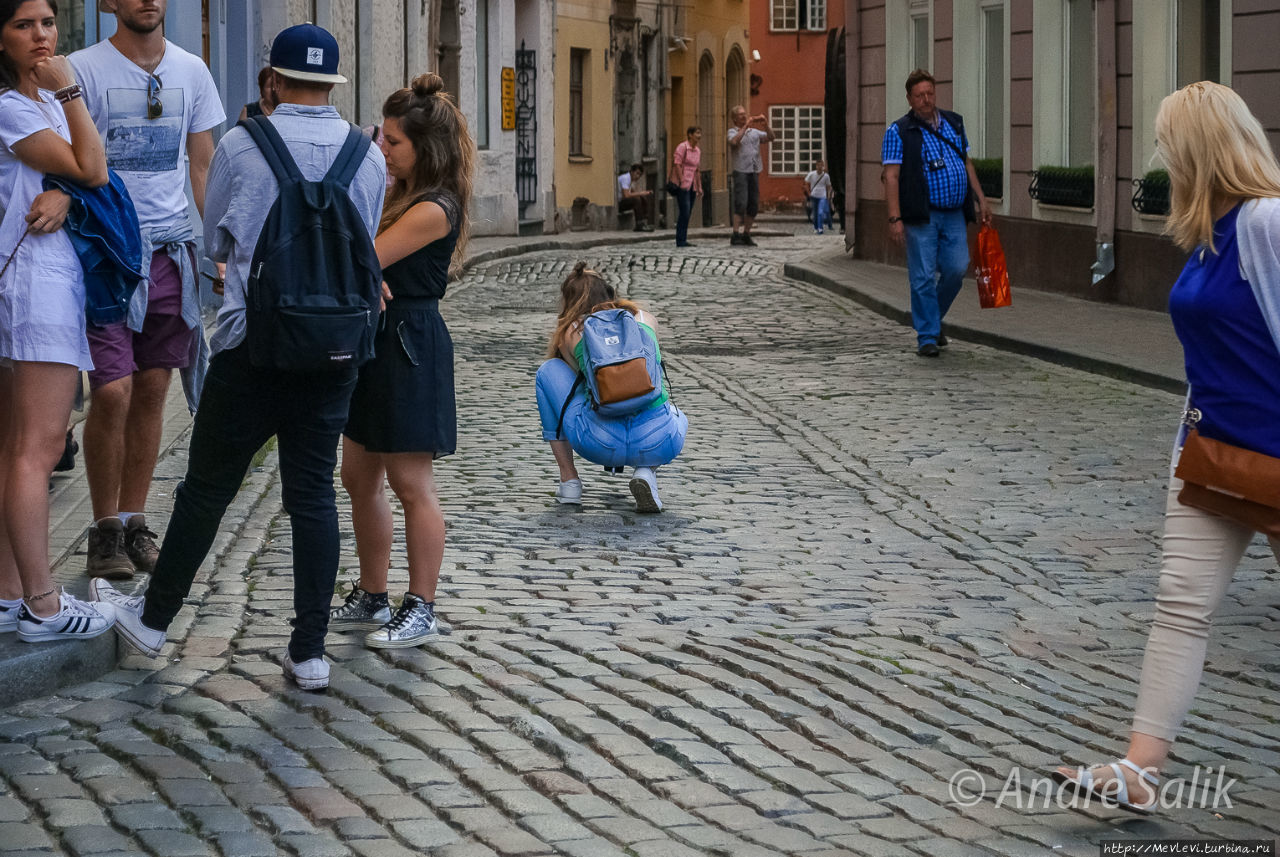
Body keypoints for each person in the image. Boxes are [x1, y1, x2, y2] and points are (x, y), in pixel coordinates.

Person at [91, 24, 387, 691]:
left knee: (207, 490)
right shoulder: (368, 157)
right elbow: (365, 241)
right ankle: (309, 651)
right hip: (335, 350)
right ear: (333, 85)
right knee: (312, 494)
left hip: (251, 346)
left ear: (274, 82)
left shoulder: (242, 145)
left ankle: (155, 619)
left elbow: (216, 233)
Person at [1053, 82, 1280, 814]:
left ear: (1198, 147)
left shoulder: (1267, 222)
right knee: (1180, 606)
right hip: (1216, 458)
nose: (1159, 157)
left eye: (1165, 143)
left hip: (1275, 458)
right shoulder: (1210, 233)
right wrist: (1183, 442)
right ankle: (1139, 768)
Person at [70, 0, 225, 579]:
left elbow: (203, 165)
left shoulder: (192, 71)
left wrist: (219, 248)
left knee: (154, 389)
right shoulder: (82, 69)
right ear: (108, 3)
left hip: (170, 251)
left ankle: (134, 523)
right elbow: (69, 160)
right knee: (112, 391)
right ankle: (103, 528)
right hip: (107, 250)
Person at [329, 73, 472, 650]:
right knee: (357, 474)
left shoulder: (435, 206)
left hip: (409, 342)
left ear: (425, 150)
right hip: (373, 337)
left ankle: (422, 604)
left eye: (392, 141)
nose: (380, 148)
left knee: (411, 481)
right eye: (380, 137)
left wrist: (363, 268)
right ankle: (371, 591)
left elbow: (357, 254)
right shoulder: (391, 191)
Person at [0, 0, 117, 642]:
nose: (42, 35)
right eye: (24, 25)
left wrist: (67, 193)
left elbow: (86, 178)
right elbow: (95, 166)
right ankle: (45, 605)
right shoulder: (15, 105)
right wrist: (70, 89)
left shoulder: (36, 105)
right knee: (37, 448)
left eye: (48, 22)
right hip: (32, 290)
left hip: (41, 285)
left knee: (17, 447)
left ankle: (9, 593)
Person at [534, 262, 688, 513]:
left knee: (547, 372)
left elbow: (580, 382)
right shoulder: (644, 319)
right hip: (659, 439)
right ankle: (647, 471)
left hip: (601, 443)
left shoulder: (570, 332)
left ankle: (569, 480)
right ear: (610, 293)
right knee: (679, 416)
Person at [881, 69, 991, 358]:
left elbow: (966, 163)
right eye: (919, 95)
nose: (926, 99)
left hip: (954, 212)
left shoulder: (953, 123)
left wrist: (981, 198)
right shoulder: (899, 131)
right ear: (909, 98)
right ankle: (927, 336)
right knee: (923, 276)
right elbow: (891, 177)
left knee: (957, 268)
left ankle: (931, 318)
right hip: (921, 215)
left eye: (930, 93)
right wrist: (895, 218)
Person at [727, 105, 772, 246]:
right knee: (741, 203)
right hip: (740, 171)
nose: (744, 116)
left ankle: (746, 233)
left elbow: (771, 137)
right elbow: (734, 142)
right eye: (740, 115)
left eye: (744, 114)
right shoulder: (732, 131)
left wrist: (766, 125)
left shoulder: (754, 132)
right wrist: (745, 126)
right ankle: (735, 234)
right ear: (734, 119)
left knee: (753, 204)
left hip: (754, 170)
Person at [669, 126, 702, 248]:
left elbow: (697, 169)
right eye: (697, 133)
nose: (699, 136)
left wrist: (699, 186)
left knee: (688, 212)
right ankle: (680, 240)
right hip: (683, 184)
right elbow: (677, 164)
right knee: (685, 212)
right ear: (690, 135)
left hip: (692, 184)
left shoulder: (697, 151)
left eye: (700, 133)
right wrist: (681, 179)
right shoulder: (683, 147)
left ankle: (683, 238)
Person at [617, 163, 653, 232]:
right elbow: (626, 195)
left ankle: (644, 222)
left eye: (639, 175)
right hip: (619, 204)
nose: (638, 176)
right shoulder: (625, 178)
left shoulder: (630, 180)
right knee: (636, 200)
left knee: (642, 198)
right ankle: (639, 225)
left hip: (624, 202)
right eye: (637, 173)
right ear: (631, 171)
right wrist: (640, 193)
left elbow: (633, 192)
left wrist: (643, 194)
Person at [804, 160, 833, 234]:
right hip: (814, 195)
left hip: (822, 196)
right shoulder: (811, 174)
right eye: (818, 165)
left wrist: (828, 196)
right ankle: (816, 227)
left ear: (823, 166)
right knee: (815, 212)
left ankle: (820, 228)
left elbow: (828, 187)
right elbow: (806, 184)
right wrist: (809, 193)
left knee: (820, 212)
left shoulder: (826, 176)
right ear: (816, 166)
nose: (820, 167)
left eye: (821, 165)